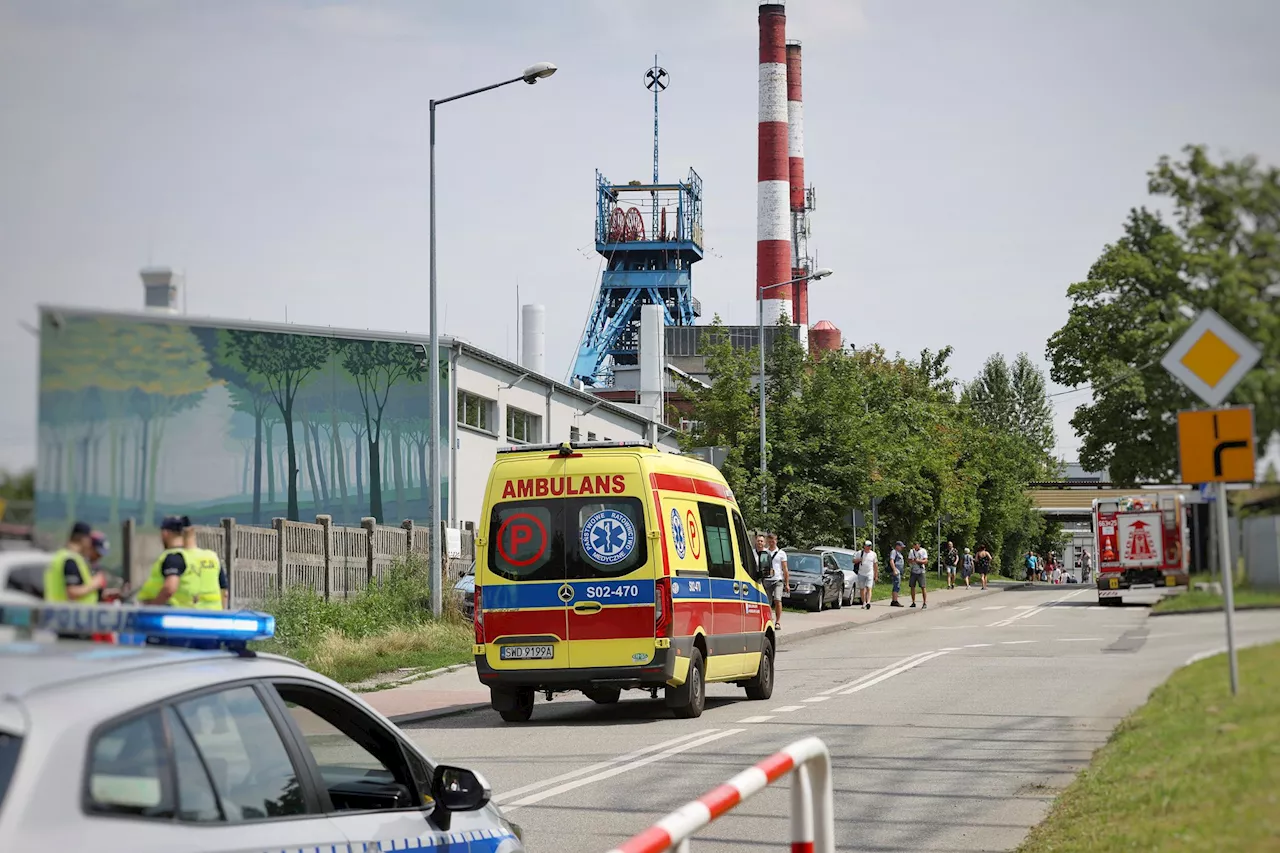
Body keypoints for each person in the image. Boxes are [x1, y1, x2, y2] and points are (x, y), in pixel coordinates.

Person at [43, 521, 107, 603]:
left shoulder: (59, 557)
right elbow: (72, 592)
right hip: (68, 613)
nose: (90, 544)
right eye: (89, 540)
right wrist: (95, 584)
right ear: (84, 539)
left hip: (57, 611)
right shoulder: (70, 560)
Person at [763, 533, 789, 630]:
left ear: (776, 541)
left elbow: (785, 569)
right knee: (767, 602)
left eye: (773, 540)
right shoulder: (765, 552)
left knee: (778, 599)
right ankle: (769, 620)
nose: (771, 542)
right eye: (769, 541)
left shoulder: (781, 553)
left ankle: (778, 621)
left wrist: (787, 583)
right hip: (767, 579)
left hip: (778, 579)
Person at [856, 540, 877, 610]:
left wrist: (876, 575)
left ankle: (868, 602)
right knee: (862, 589)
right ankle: (864, 602)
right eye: (867, 546)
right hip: (861, 573)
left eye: (869, 546)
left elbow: (875, 565)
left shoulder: (873, 554)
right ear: (864, 546)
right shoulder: (860, 553)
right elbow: (853, 561)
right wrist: (859, 560)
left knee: (869, 587)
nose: (868, 547)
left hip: (870, 573)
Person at [908, 541, 928, 609]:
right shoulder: (911, 551)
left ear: (919, 545)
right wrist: (912, 560)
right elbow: (909, 560)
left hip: (921, 571)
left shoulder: (923, 551)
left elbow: (925, 561)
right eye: (914, 544)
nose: (915, 546)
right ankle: (913, 602)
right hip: (913, 571)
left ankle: (924, 602)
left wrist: (919, 561)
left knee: (923, 587)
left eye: (916, 544)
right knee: (912, 586)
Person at [889, 541, 906, 607]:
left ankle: (894, 600)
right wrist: (894, 569)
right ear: (897, 546)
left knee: (897, 585)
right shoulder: (894, 552)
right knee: (896, 585)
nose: (902, 548)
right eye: (901, 546)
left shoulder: (899, 553)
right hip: (896, 571)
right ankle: (894, 601)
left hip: (899, 571)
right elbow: (891, 560)